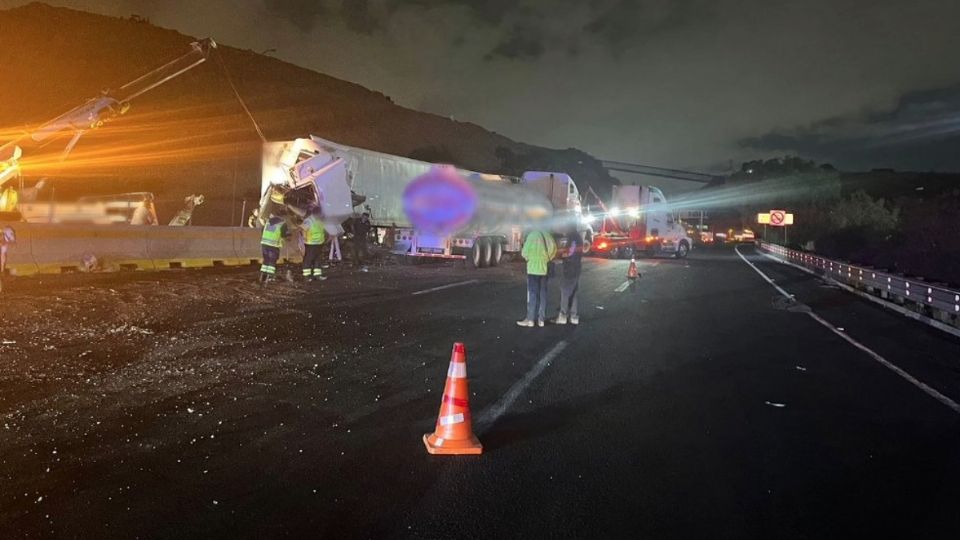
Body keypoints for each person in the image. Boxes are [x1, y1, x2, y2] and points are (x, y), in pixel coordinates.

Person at [517, 227, 557, 328]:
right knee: (542, 294)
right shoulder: (548, 236)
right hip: (544, 269)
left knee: (532, 294)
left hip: (532, 269)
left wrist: (530, 258)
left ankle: (530, 320)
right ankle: (541, 320)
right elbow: (554, 250)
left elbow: (524, 253)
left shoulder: (531, 236)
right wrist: (546, 259)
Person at [552, 227, 584, 325]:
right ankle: (574, 316)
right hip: (576, 267)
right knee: (573, 292)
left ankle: (563, 315)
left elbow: (571, 252)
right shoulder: (578, 236)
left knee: (565, 291)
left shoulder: (573, 237)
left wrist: (562, 255)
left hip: (570, 268)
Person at [300, 207, 327, 281]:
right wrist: (305, 238)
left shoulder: (320, 220)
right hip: (311, 243)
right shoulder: (309, 220)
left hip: (319, 243)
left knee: (317, 259)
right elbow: (303, 229)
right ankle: (307, 276)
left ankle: (317, 275)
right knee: (309, 259)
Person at [259, 214, 287, 284]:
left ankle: (262, 277)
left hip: (264, 244)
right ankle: (269, 278)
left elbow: (263, 231)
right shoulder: (282, 224)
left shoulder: (268, 222)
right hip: (273, 245)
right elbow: (283, 235)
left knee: (266, 260)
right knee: (272, 261)